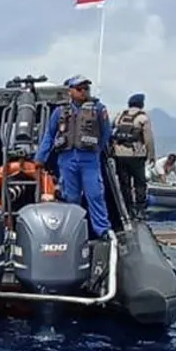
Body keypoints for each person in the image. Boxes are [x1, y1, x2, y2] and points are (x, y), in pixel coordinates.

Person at [37, 73, 112, 236]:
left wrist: (97, 150)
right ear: (70, 91)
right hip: (67, 158)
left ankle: (102, 230)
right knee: (70, 197)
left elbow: (106, 132)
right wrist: (40, 158)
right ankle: (73, 231)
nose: (84, 91)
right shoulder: (60, 111)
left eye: (86, 88)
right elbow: (49, 135)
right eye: (80, 88)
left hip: (89, 159)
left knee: (95, 194)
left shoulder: (98, 109)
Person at [111, 92, 156, 218]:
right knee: (140, 183)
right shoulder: (143, 118)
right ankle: (140, 210)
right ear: (141, 104)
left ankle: (128, 209)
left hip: (119, 154)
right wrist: (151, 155)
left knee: (124, 183)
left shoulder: (120, 115)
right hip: (136, 155)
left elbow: (112, 131)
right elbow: (148, 139)